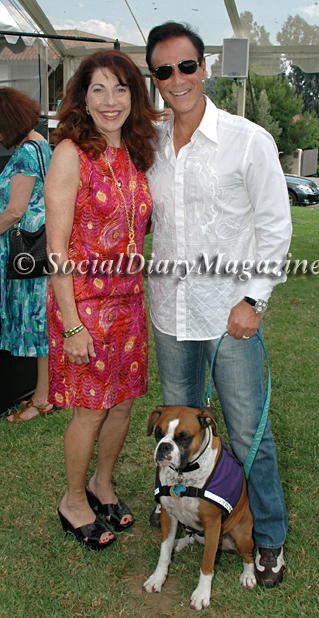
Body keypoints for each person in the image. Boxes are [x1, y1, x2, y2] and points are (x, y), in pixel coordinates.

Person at [145, 22, 292, 587]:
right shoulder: (151, 140)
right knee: (176, 432)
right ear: (155, 78)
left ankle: (270, 539)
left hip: (231, 314)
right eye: (163, 71)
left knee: (249, 430)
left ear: (203, 67)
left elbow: (276, 227)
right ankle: (181, 514)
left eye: (186, 67)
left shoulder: (247, 138)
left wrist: (254, 298)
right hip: (169, 312)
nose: (176, 80)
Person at [44, 50, 159, 549]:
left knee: (123, 404)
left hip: (129, 303)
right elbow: (55, 250)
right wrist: (71, 324)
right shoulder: (71, 153)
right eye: (99, 90)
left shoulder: (135, 154)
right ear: (83, 100)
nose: (111, 101)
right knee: (90, 409)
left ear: (134, 98)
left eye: (121, 89)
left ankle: (102, 484)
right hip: (84, 307)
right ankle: (73, 500)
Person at [0, 87, 53, 422]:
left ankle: (42, 397)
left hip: (25, 254)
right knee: (41, 323)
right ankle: (43, 392)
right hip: (37, 251)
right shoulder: (40, 143)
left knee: (37, 325)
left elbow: (15, 211)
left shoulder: (23, 154)